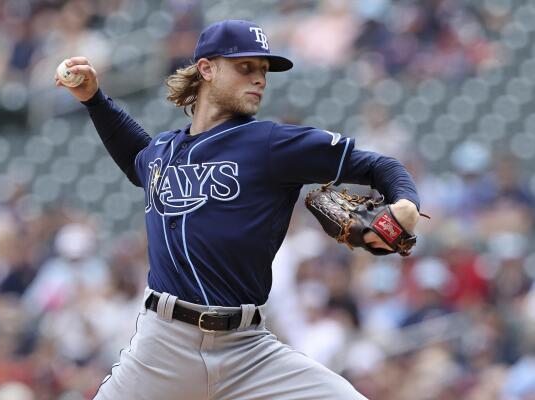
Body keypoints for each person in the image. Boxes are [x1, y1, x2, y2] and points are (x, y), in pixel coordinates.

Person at [55, 19, 421, 400]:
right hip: (162, 348)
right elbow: (136, 159)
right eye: (245, 67)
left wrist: (405, 201)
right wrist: (95, 99)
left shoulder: (271, 143)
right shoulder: (162, 153)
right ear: (207, 69)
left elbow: (380, 166)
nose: (259, 78)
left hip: (249, 352)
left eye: (263, 71)